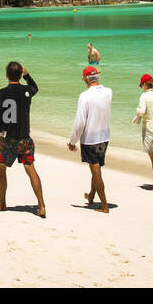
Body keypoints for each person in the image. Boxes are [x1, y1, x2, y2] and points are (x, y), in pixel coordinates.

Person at [0, 61, 46, 218]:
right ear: (20, 75)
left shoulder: (1, 93)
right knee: (30, 168)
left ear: (6, 75)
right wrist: (27, 75)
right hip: (24, 140)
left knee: (1, 167)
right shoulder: (27, 91)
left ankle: (2, 202)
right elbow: (35, 87)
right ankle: (41, 206)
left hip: (7, 141)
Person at [68, 65, 113, 213]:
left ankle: (104, 205)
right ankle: (92, 195)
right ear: (97, 77)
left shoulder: (84, 96)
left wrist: (72, 141)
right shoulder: (108, 92)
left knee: (95, 171)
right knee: (97, 168)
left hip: (90, 139)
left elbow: (80, 122)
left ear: (86, 79)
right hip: (104, 137)